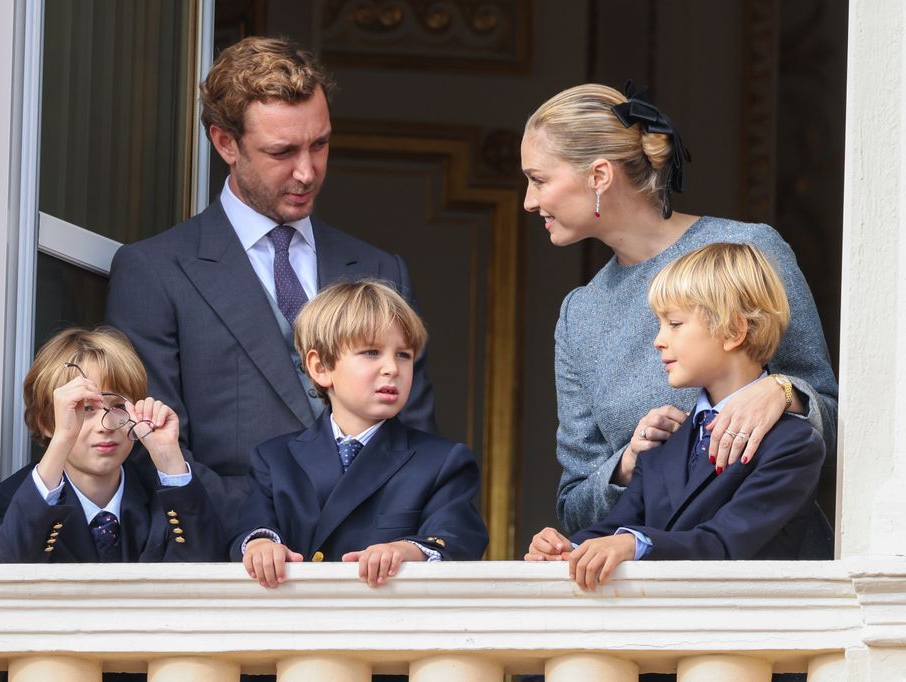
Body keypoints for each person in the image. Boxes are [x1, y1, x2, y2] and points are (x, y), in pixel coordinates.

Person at [105, 37, 436, 536]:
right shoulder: (154, 271)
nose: (307, 172)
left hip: (371, 569)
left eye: (319, 144)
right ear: (225, 143)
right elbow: (154, 450)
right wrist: (266, 529)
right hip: (231, 564)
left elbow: (417, 443)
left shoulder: (380, 267)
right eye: (282, 152)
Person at [520, 82, 837, 541]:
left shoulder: (750, 249)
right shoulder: (578, 315)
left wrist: (783, 391)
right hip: (641, 592)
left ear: (599, 175)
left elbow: (834, 416)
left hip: (773, 575)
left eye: (539, 179)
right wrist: (629, 461)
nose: (529, 200)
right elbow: (575, 506)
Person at [526, 243, 824, 591]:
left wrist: (632, 544)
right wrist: (566, 549)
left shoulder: (792, 444)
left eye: (675, 323)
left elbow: (724, 543)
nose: (658, 340)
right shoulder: (662, 443)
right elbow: (617, 527)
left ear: (734, 331)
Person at [230, 280, 488, 588]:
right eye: (371, 352)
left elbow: (459, 536)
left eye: (404, 355)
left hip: (387, 627)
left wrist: (406, 550)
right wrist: (260, 546)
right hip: (295, 626)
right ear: (320, 366)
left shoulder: (443, 461)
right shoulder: (274, 458)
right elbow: (251, 526)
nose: (392, 368)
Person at [0, 327, 229, 563]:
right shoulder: (8, 500)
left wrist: (169, 459)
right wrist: (62, 439)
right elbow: (9, 568)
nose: (105, 425)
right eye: (85, 408)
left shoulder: (166, 494)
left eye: (119, 407)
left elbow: (206, 566)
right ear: (45, 422)